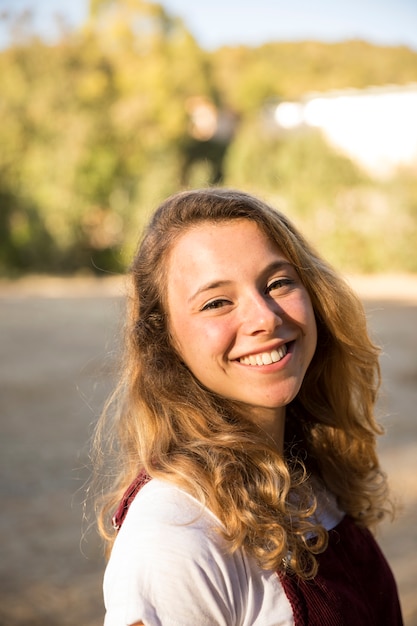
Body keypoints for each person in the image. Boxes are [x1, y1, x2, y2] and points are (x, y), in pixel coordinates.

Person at [94, 188, 403, 625]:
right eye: (217, 302)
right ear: (164, 340)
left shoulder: (309, 472)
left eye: (278, 283)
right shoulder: (173, 534)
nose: (265, 318)